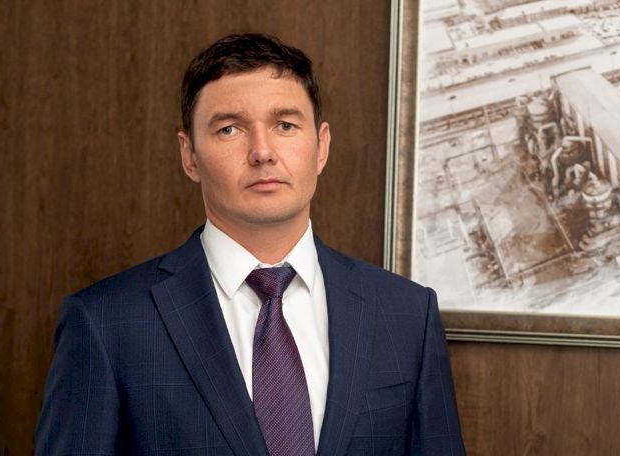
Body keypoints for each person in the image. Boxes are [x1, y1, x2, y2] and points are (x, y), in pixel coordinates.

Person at [36, 33, 465, 455]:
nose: (262, 152)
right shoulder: (106, 323)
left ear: (321, 146)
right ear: (189, 156)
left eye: (285, 125)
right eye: (229, 129)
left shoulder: (408, 315)